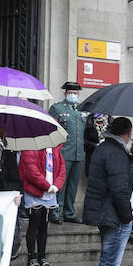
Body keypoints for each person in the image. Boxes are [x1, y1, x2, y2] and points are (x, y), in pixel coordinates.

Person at [82, 117, 133, 266]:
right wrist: (127, 217)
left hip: (107, 213)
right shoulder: (115, 153)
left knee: (110, 262)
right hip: (113, 215)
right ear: (128, 134)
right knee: (109, 263)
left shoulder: (106, 149)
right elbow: (119, 190)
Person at [18, 140, 64, 266]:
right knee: (34, 224)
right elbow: (31, 170)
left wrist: (57, 185)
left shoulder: (55, 149)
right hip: (35, 191)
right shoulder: (30, 148)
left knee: (44, 225)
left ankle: (42, 257)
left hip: (50, 192)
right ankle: (32, 258)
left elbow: (61, 168)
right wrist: (46, 186)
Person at [47, 82, 86, 222]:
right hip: (63, 153)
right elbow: (50, 129)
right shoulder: (57, 109)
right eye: (70, 93)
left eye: (75, 93)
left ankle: (69, 213)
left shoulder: (81, 110)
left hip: (78, 154)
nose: (73, 95)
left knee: (73, 185)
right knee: (60, 184)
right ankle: (56, 211)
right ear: (65, 94)